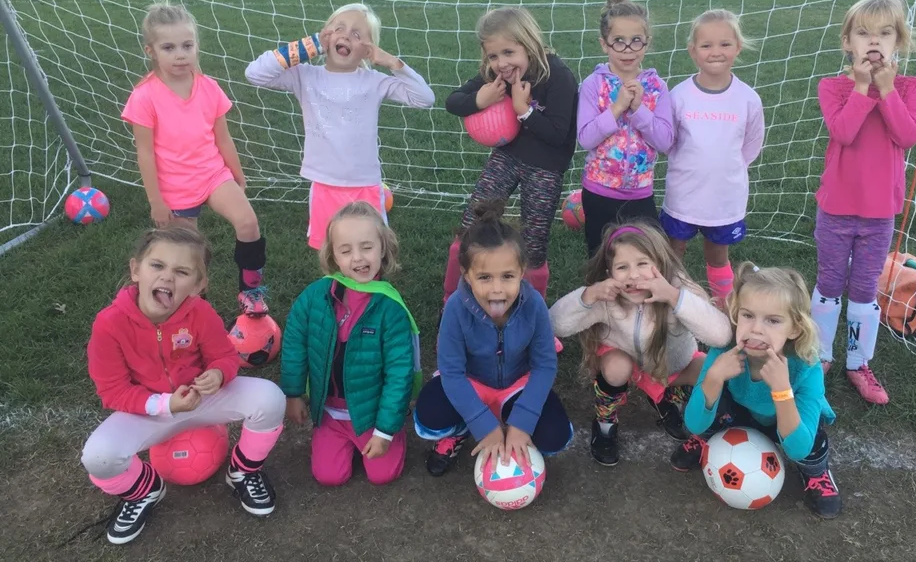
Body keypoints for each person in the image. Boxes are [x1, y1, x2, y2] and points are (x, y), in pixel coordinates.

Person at [80, 226, 286, 545]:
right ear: (136, 270)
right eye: (157, 266)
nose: (167, 278)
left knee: (270, 399)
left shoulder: (200, 313)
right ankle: (144, 490)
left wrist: (218, 374)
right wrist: (164, 405)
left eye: (181, 271)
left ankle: (244, 471)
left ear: (198, 284)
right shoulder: (109, 325)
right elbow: (113, 390)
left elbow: (225, 356)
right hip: (148, 411)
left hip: (203, 399)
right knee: (99, 458)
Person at [244, 3, 435, 249]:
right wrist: (309, 45)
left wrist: (391, 62)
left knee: (371, 249)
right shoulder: (305, 76)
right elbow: (255, 73)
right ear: (325, 35)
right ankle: (336, 289)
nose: (346, 35)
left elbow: (424, 98)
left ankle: (368, 288)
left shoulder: (374, 82)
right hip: (324, 183)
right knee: (330, 250)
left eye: (357, 35)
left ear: (368, 50)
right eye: (339, 28)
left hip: (365, 184)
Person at [811, 0, 916, 404]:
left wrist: (887, 91)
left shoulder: (909, 88)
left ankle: (858, 363)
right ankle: (819, 356)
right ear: (848, 42)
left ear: (899, 42)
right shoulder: (834, 87)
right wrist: (862, 90)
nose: (873, 41)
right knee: (829, 282)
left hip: (879, 215)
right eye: (863, 32)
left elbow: (907, 135)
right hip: (836, 209)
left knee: (864, 289)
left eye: (884, 32)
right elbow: (843, 132)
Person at [122, 2, 268, 315]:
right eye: (169, 47)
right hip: (174, 185)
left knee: (248, 222)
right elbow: (144, 152)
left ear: (196, 46)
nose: (180, 54)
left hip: (213, 174)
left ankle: (251, 292)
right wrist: (156, 201)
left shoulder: (209, 88)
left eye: (187, 45)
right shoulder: (145, 96)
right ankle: (195, 305)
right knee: (186, 254)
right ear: (151, 51)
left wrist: (236, 173)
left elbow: (223, 138)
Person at [550, 221, 732, 465]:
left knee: (709, 369)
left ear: (661, 264)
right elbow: (555, 325)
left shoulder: (678, 290)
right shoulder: (607, 297)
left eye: (643, 264)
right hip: (626, 363)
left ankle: (667, 397)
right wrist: (588, 295)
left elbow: (721, 336)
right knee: (616, 367)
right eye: (622, 267)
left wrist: (674, 297)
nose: (634, 276)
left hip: (668, 368)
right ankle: (605, 424)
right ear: (609, 273)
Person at [414, 200, 573, 475]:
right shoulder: (455, 308)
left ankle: (513, 425)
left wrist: (523, 421)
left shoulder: (533, 304)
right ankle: (462, 430)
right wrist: (482, 426)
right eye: (485, 277)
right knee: (429, 416)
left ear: (522, 273)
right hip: (472, 382)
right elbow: (451, 372)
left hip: (517, 385)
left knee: (555, 437)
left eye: (508, 276)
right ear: (467, 275)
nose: (497, 289)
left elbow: (545, 365)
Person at [671, 263, 842, 519]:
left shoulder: (806, 367)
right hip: (740, 413)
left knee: (811, 436)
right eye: (748, 315)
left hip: (782, 420)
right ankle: (708, 441)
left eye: (773, 320)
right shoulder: (724, 352)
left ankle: (816, 474)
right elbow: (693, 423)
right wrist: (715, 377)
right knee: (711, 398)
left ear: (795, 328)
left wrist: (783, 391)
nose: (756, 328)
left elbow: (797, 449)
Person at [442, 7, 578, 304]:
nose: (501, 63)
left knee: (533, 244)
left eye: (508, 52)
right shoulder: (496, 76)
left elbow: (558, 135)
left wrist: (523, 110)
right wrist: (482, 98)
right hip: (506, 157)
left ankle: (533, 312)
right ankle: (451, 299)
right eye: (493, 56)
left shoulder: (559, 76)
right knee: (470, 225)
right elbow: (453, 101)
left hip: (546, 167)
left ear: (528, 44)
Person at [280, 201, 421, 487]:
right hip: (330, 413)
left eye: (367, 247)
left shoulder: (390, 308)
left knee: (383, 475)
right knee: (329, 476)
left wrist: (384, 431)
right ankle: (337, 435)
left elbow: (399, 372)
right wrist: (293, 394)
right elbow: (294, 343)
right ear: (333, 255)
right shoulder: (314, 297)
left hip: (372, 414)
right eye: (346, 250)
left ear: (383, 248)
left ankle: (391, 434)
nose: (358, 258)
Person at [661, 9, 764, 301]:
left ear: (737, 47)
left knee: (718, 257)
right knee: (673, 252)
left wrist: (724, 169)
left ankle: (721, 306)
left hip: (724, 199)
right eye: (706, 45)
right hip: (683, 195)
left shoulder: (748, 99)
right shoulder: (679, 95)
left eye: (724, 44)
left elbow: (751, 146)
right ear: (693, 51)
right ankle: (670, 303)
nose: (715, 52)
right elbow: (669, 142)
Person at [577, 0, 672, 256]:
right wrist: (617, 107)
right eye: (619, 41)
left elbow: (665, 141)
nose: (628, 50)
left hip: (640, 194)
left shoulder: (657, 87)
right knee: (601, 259)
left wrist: (639, 109)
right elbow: (585, 138)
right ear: (604, 44)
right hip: (598, 191)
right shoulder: (593, 85)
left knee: (646, 261)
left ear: (647, 43)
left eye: (636, 41)